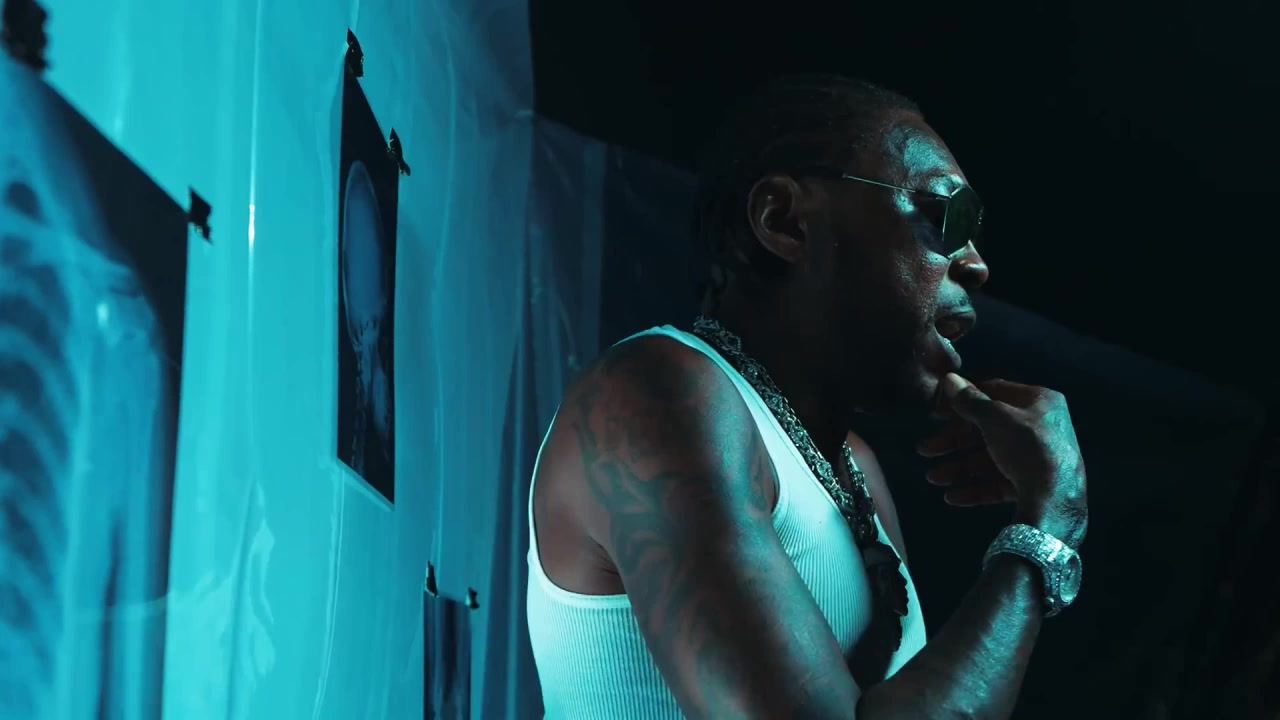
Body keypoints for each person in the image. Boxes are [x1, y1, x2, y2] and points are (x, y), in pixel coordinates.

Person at [525, 74, 1089, 719]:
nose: (976, 264)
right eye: (945, 215)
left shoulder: (855, 465)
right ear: (784, 221)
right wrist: (1045, 533)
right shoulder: (656, 391)